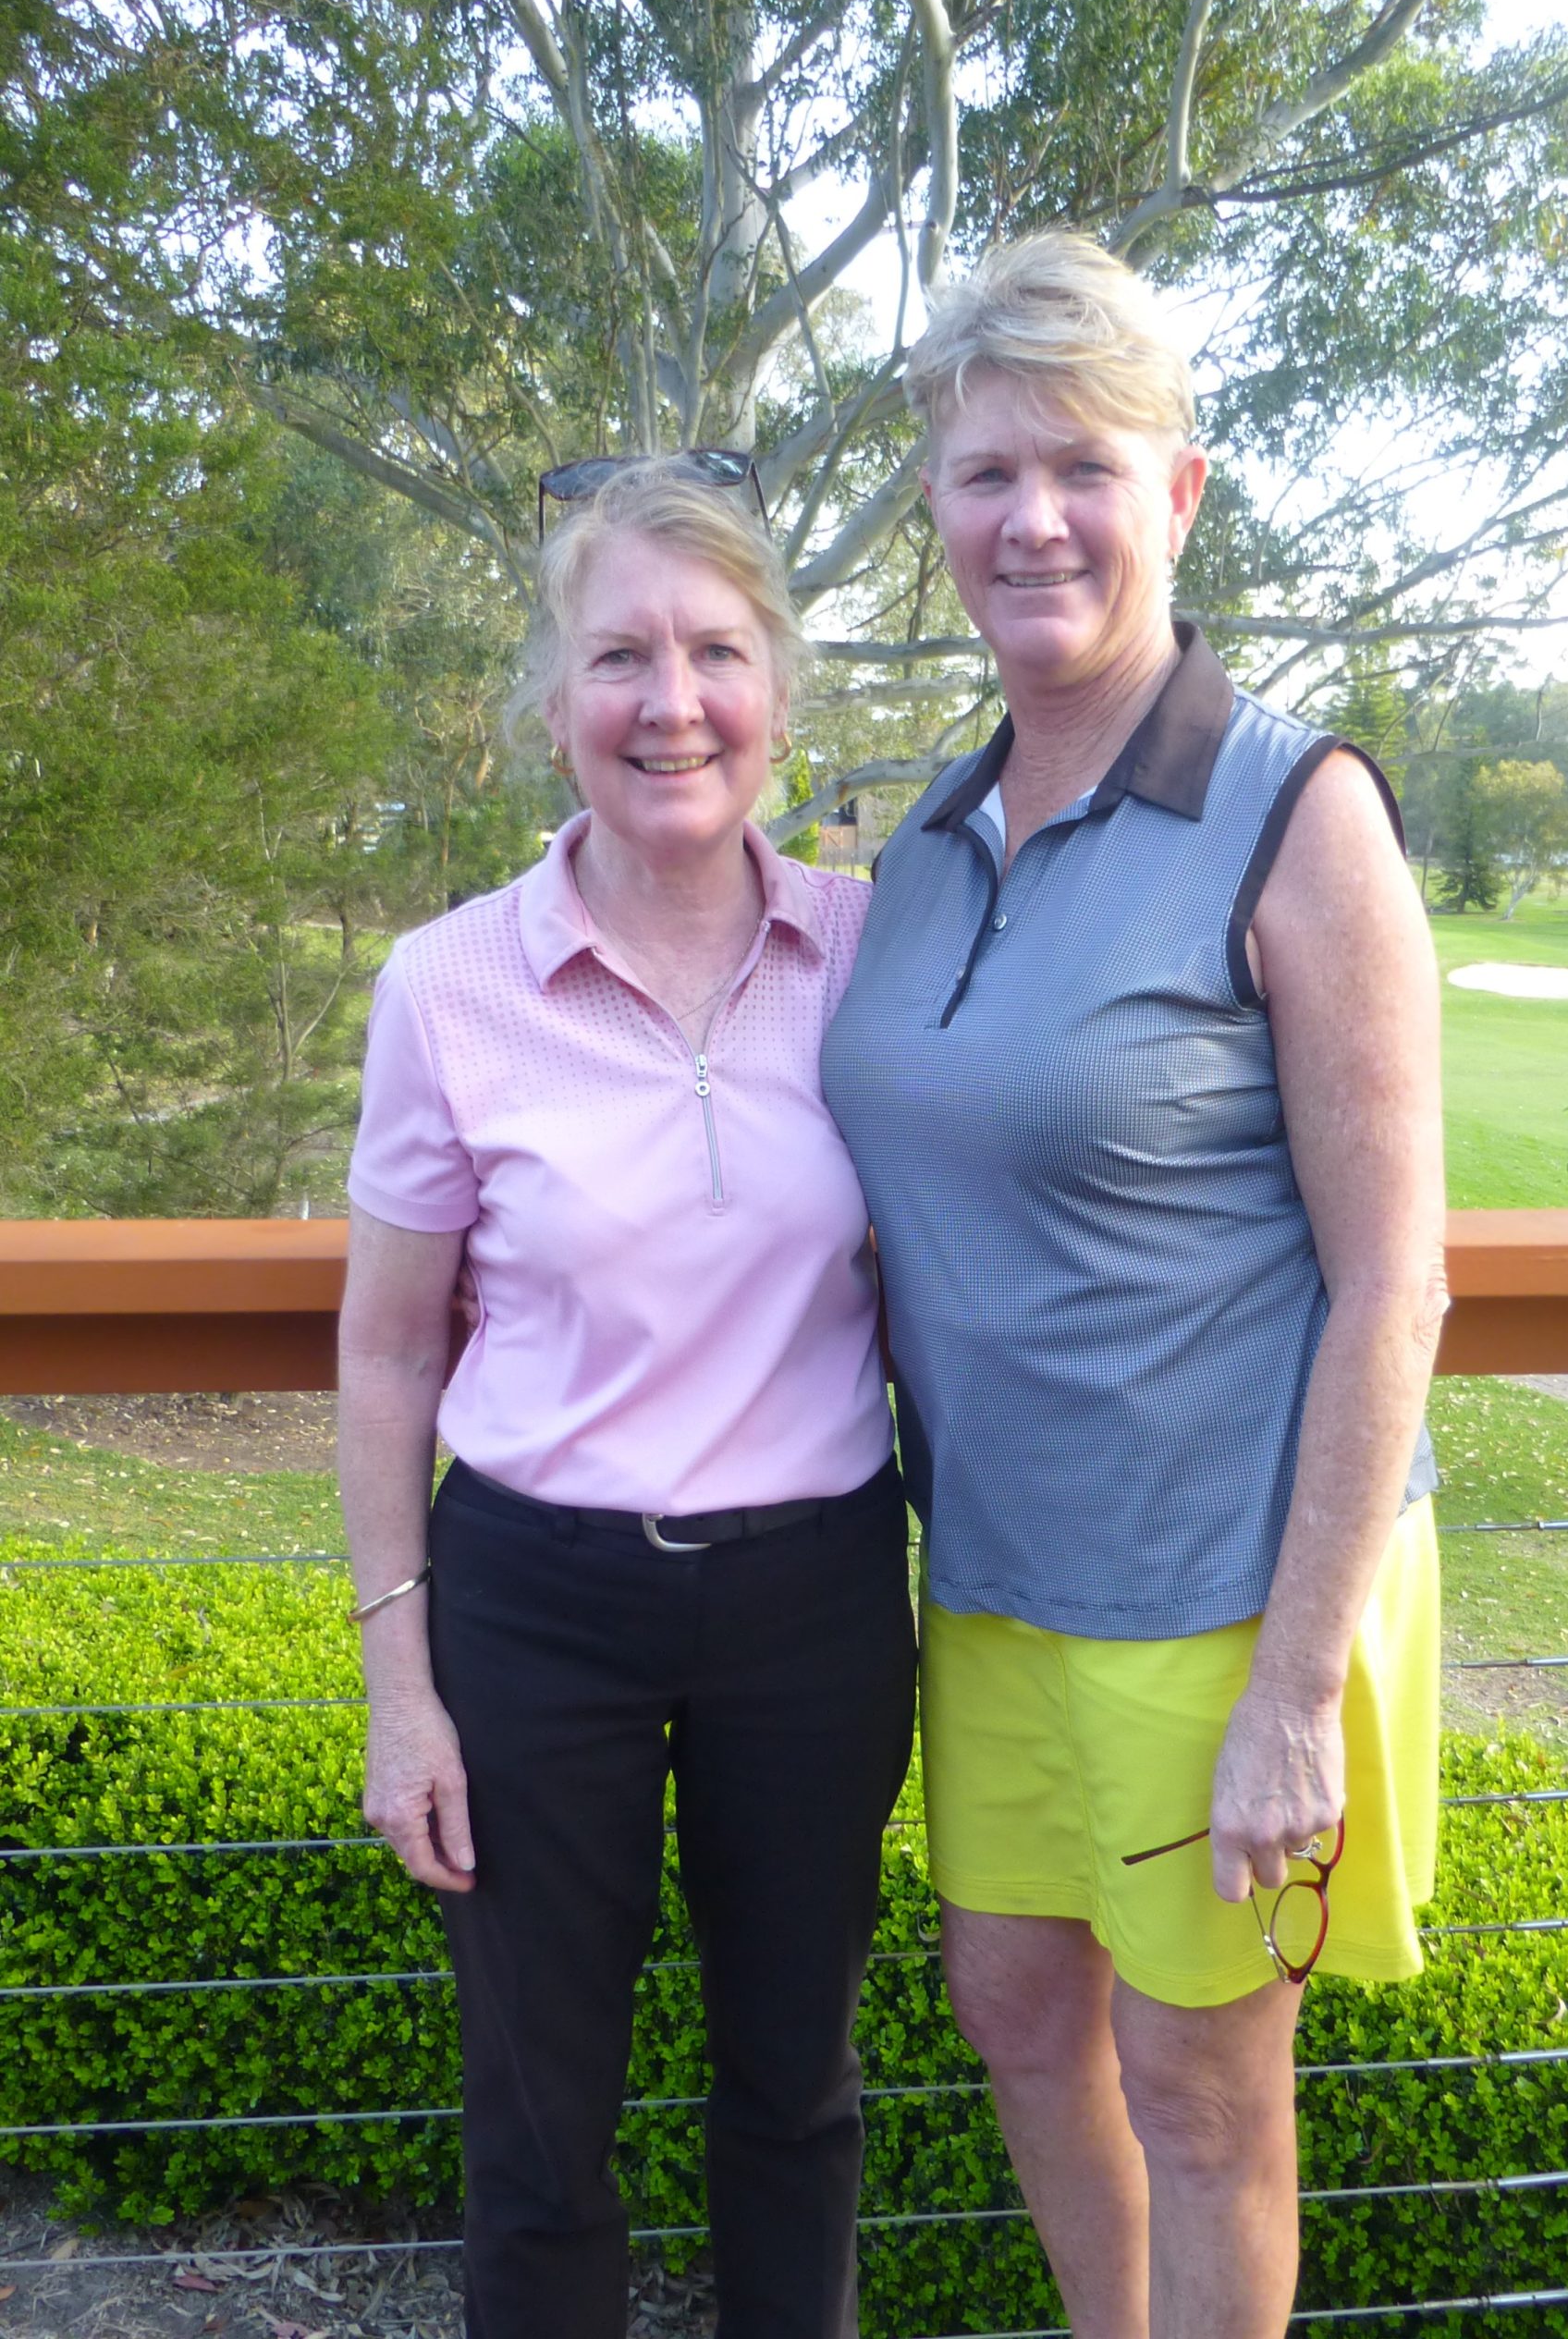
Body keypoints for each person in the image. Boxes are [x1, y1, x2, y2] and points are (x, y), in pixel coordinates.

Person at [821, 229, 1447, 2339]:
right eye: (987, 472)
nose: (1034, 520)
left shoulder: (1296, 811)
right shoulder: (929, 840)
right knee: (1013, 2007)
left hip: (1217, 1598)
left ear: (1177, 493)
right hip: (994, 1575)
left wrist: (1296, 1686)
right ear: (938, 508)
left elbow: (1397, 1284)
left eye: (1083, 467)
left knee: (1201, 2090)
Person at [337, 455, 915, 2339]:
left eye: (717, 651)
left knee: (799, 2095)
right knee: (536, 2131)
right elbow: (388, 1349)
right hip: (537, 1603)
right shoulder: (447, 986)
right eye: (619, 657)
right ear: (553, 701)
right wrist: (401, 1688)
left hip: (814, 1598)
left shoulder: (876, 952)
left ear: (780, 691)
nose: (673, 704)